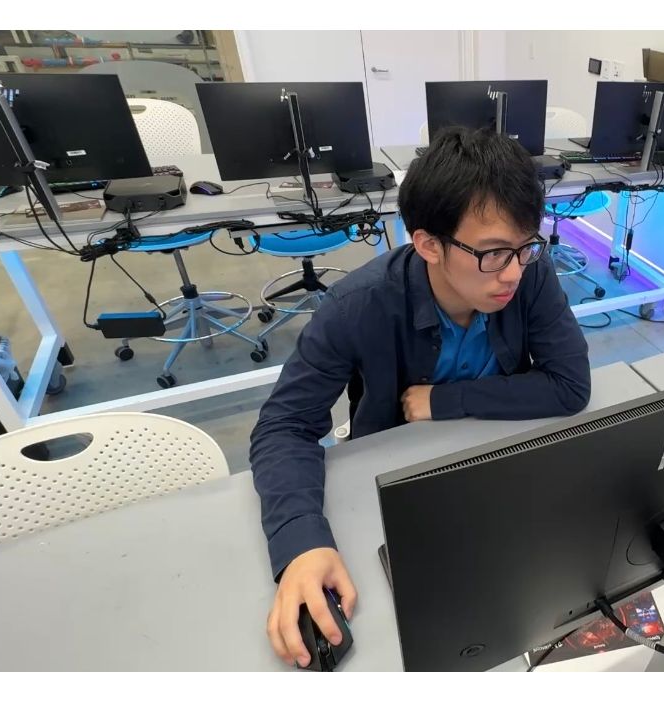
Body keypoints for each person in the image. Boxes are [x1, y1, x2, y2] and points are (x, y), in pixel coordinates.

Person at [250, 126, 592, 668]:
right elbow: (284, 429)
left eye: (526, 246)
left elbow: (571, 385)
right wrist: (302, 543)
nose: (512, 273)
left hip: (498, 472)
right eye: (492, 253)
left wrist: (444, 401)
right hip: (396, 486)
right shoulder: (357, 306)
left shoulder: (531, 272)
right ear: (429, 244)